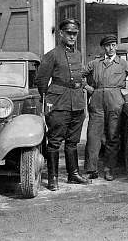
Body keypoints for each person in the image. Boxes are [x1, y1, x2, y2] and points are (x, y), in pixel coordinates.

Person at [34, 18, 90, 191]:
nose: (72, 37)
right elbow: (41, 81)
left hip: (77, 103)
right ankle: (53, 178)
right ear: (61, 34)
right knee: (55, 142)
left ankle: (73, 174)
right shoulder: (52, 54)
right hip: (58, 103)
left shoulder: (78, 54)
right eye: (69, 33)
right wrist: (49, 101)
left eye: (75, 34)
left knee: (73, 141)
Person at [82, 35, 128, 181]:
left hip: (115, 101)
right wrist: (88, 87)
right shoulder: (95, 63)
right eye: (107, 46)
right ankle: (91, 169)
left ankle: (108, 169)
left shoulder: (123, 64)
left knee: (113, 136)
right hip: (97, 101)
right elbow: (78, 75)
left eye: (113, 45)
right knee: (93, 135)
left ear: (116, 46)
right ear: (103, 48)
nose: (110, 48)